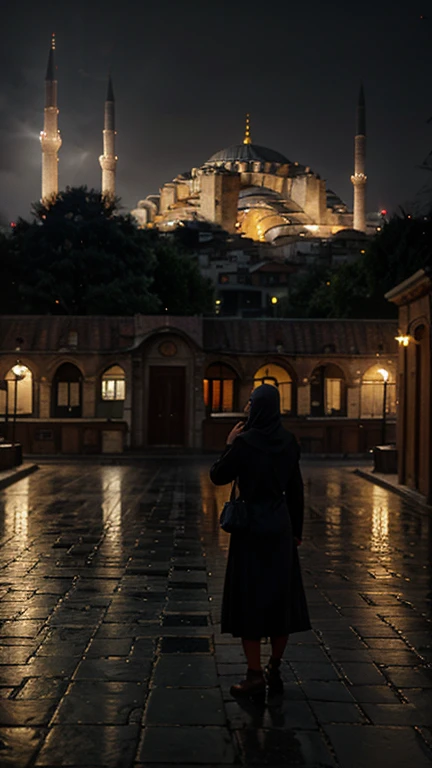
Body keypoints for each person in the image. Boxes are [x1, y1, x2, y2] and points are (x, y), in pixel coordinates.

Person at [210, 383, 311, 701]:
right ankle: (274, 667)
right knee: (281, 600)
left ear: (258, 407)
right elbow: (296, 489)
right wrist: (296, 531)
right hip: (280, 526)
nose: (247, 409)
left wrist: (228, 444)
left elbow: (218, 475)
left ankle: (254, 675)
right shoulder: (288, 441)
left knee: (250, 600)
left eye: (250, 403)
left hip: (251, 528)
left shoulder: (245, 443)